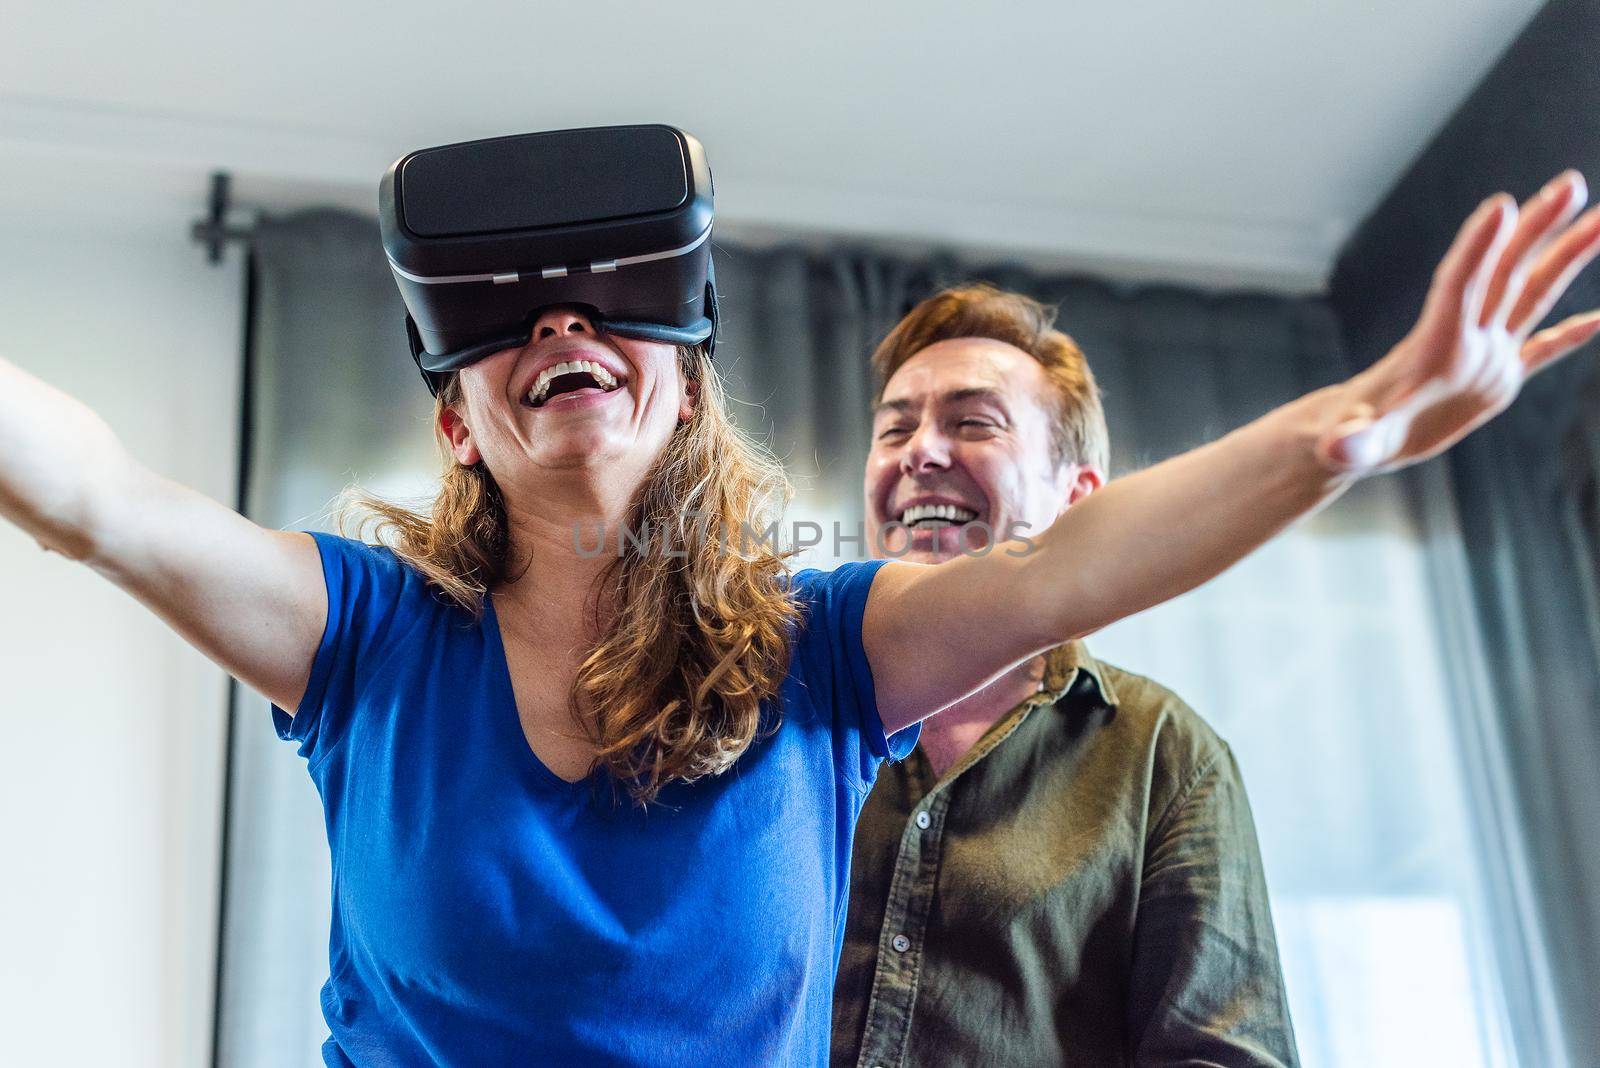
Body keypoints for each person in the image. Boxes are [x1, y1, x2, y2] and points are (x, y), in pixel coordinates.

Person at [2, 167, 1597, 1065]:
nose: (559, 322)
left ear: (687, 387)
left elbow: (1077, 574)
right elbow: (98, 500)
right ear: (457, 425)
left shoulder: (826, 649)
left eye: (605, 304)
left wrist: (1363, 423)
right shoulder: (359, 635)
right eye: (505, 323)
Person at [831, 284, 1299, 1067]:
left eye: (972, 422)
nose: (919, 451)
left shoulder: (1166, 754)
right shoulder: (766, 709)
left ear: (1077, 500)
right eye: (895, 427)